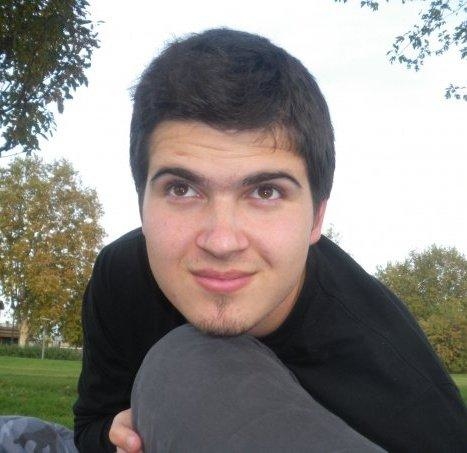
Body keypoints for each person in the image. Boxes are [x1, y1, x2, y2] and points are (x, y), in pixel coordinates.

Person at [73, 28, 467, 452]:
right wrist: (120, 438)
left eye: (266, 192)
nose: (221, 242)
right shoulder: (121, 277)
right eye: (182, 189)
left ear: (317, 218)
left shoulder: (407, 399)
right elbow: (92, 422)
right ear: (141, 206)